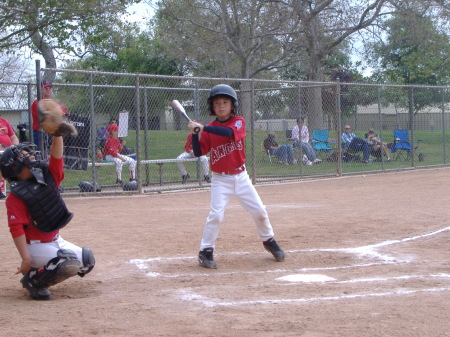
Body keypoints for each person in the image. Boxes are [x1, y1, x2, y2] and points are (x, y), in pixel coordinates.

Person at [188, 84, 285, 269]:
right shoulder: (208, 128)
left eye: (225, 102)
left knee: (259, 211)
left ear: (233, 106)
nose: (221, 106)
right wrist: (195, 134)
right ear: (212, 107)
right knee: (216, 215)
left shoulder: (238, 121)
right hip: (220, 179)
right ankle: (205, 251)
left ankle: (268, 240)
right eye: (217, 103)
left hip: (241, 177)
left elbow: (230, 133)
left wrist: (203, 129)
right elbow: (200, 152)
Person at [0, 138, 95, 301]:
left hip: (56, 241)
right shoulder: (15, 198)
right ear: (15, 168)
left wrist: (57, 135)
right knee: (67, 262)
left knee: (87, 260)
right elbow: (16, 229)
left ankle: (40, 270)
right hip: (35, 247)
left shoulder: (47, 177)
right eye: (24, 156)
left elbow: (56, 157)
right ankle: (34, 281)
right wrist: (26, 259)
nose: (30, 156)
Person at [30, 80, 69, 149]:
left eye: (50, 88)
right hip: (40, 132)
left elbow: (66, 113)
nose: (48, 90)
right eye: (46, 88)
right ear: (40, 89)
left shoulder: (55, 103)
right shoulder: (37, 103)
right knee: (41, 153)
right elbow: (46, 117)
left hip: (53, 132)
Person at [0, 116, 19, 198]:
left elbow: (13, 137)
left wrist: (15, 148)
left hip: (7, 152)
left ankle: (19, 189)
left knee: (20, 163)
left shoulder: (4, 121)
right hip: (1, 152)